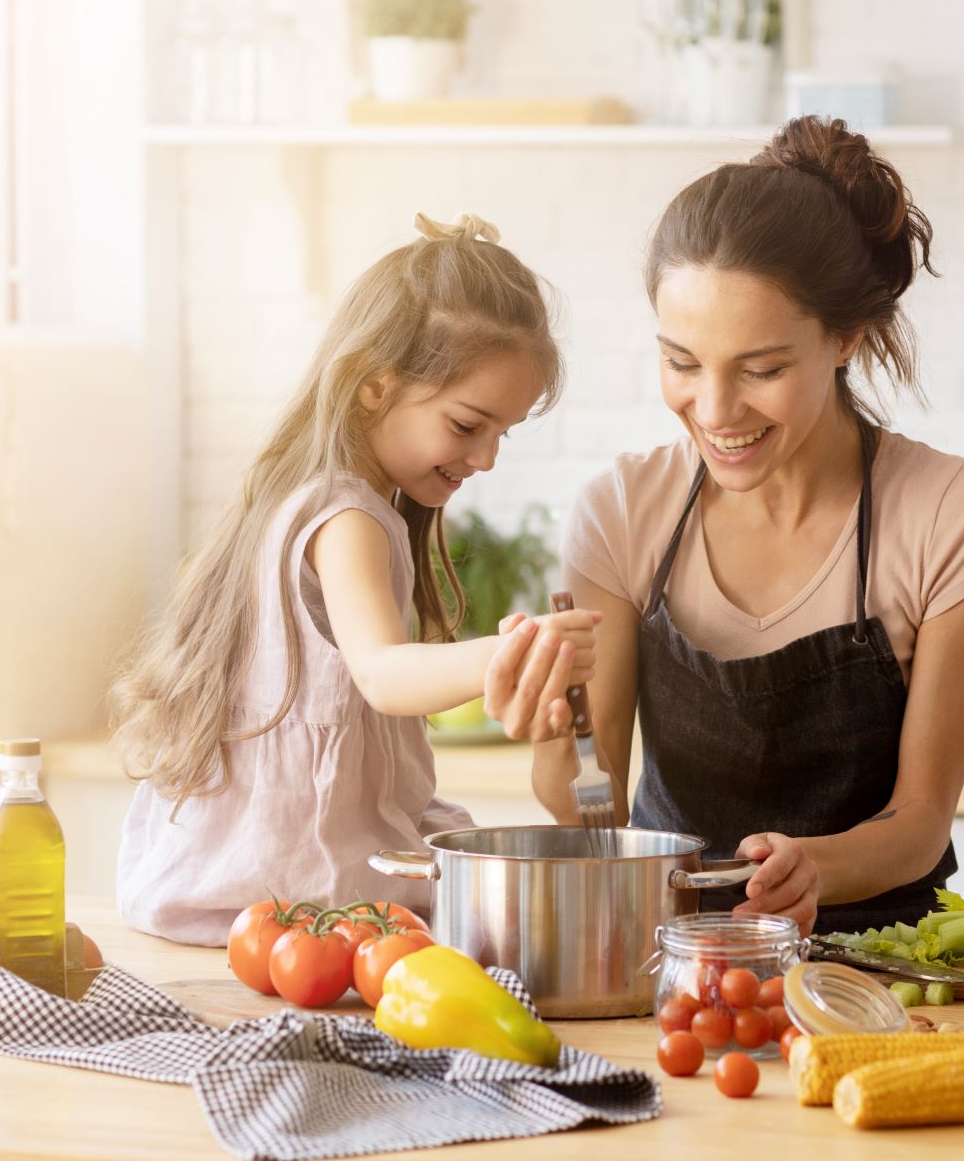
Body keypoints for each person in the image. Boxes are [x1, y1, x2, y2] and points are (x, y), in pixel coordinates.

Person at [489, 119, 964, 936]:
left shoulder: (952, 517)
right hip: (671, 961)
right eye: (681, 362)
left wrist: (816, 866)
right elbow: (589, 815)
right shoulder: (624, 512)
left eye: (762, 369)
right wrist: (553, 743)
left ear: (846, 337)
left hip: (884, 966)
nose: (714, 411)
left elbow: (919, 824)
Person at [112, 213, 599, 946]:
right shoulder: (350, 516)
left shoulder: (303, 495)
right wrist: (511, 649)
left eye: (504, 431)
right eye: (468, 425)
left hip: (234, 886)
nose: (489, 457)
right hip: (303, 893)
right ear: (375, 386)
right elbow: (381, 673)